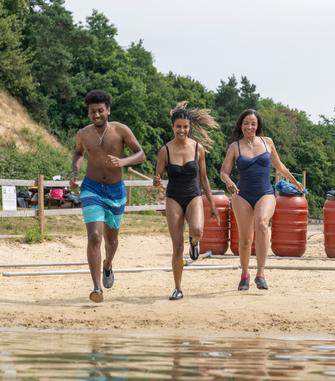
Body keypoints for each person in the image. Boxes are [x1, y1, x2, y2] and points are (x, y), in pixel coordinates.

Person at [70, 89, 145, 302]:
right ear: (88, 113)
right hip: (91, 188)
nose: (96, 115)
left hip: (115, 191)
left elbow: (140, 153)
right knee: (95, 236)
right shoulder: (83, 134)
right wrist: (75, 173)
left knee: (111, 241)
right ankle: (96, 289)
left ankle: (108, 265)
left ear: (108, 110)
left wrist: (122, 162)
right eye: (92, 112)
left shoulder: (121, 130)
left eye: (100, 111)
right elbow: (78, 153)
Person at [219, 109, 304, 291]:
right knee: (245, 239)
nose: (249, 126)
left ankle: (260, 273)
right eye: (246, 123)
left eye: (253, 123)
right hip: (241, 195)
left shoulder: (268, 143)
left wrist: (295, 181)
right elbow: (223, 171)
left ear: (258, 126)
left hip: (265, 193)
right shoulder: (235, 147)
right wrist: (229, 182)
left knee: (262, 223)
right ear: (240, 125)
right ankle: (244, 274)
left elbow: (279, 165)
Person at [153, 102, 220, 301]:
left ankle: (195, 242)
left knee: (198, 230)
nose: (182, 130)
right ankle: (178, 288)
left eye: (185, 127)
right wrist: (156, 181)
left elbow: (204, 178)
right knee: (177, 246)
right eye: (178, 126)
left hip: (193, 196)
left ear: (190, 128)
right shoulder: (165, 150)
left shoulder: (198, 149)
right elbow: (158, 178)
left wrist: (213, 205)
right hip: (173, 197)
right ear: (172, 127)